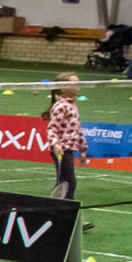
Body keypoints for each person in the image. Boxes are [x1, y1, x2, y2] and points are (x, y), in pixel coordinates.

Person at [45, 73, 85, 205]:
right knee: (68, 183)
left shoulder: (73, 106)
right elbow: (52, 128)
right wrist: (55, 144)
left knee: (65, 183)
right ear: (63, 88)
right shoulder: (61, 106)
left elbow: (76, 129)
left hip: (69, 149)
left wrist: (82, 148)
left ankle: (61, 210)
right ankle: (65, 212)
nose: (78, 86)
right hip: (61, 149)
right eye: (75, 83)